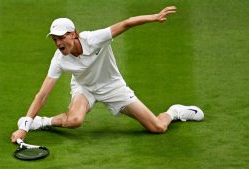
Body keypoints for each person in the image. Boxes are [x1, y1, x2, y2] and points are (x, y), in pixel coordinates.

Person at [11, 6, 204, 143]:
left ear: (73, 34)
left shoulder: (93, 39)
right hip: (84, 87)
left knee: (157, 128)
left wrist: (153, 17)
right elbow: (42, 94)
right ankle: (42, 122)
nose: (58, 43)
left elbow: (127, 23)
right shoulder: (59, 59)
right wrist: (25, 126)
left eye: (61, 37)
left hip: (112, 87)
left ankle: (174, 112)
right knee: (75, 120)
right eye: (54, 39)